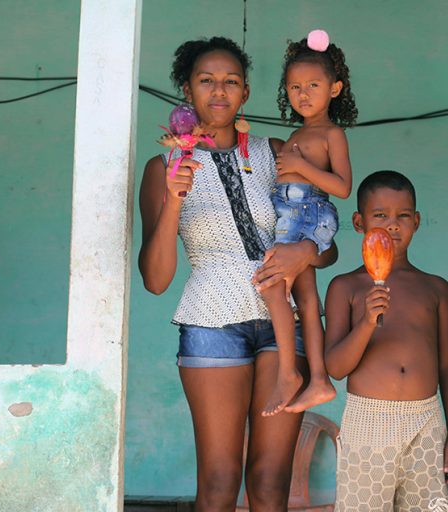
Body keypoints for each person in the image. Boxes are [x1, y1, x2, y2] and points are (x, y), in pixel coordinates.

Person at [138, 37, 337, 511]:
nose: (219, 91)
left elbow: (324, 244)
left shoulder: (276, 152)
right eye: (206, 81)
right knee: (220, 479)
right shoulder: (162, 167)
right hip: (212, 324)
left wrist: (303, 252)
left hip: (283, 323)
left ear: (245, 92)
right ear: (187, 91)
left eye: (230, 82)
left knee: (272, 481)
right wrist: (174, 201)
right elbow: (156, 279)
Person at [324, 171, 448, 511]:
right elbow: (336, 368)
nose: (393, 225)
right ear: (359, 222)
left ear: (416, 221)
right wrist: (368, 322)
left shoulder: (435, 288)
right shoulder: (346, 287)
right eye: (380, 216)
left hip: (427, 422)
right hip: (368, 423)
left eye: (403, 216)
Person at [259, 29, 357, 416]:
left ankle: (288, 374)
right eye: (295, 86)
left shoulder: (332, 134)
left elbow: (344, 187)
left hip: (308, 214)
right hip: (288, 215)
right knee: (304, 299)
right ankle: (318, 379)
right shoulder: (298, 132)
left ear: (335, 89)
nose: (303, 93)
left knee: (271, 288)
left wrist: (299, 165)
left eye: (313, 85)